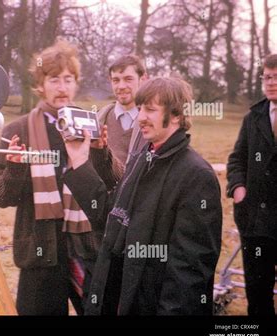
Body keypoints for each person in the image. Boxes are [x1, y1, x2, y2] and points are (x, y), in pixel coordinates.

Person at [63, 77, 222, 315]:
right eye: (140, 109)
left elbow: (188, 274)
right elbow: (108, 215)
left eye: (150, 109)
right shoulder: (142, 158)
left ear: (177, 115)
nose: (141, 118)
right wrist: (79, 160)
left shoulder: (197, 176)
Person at [0, 40, 123, 315]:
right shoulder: (19, 130)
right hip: (40, 251)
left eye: (68, 79)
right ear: (40, 85)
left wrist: (100, 153)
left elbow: (115, 183)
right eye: (54, 80)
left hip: (86, 246)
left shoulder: (90, 124)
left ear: (75, 83)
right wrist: (14, 168)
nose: (62, 87)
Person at [227, 53, 277, 316]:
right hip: (256, 222)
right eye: (267, 77)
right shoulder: (253, 118)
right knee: (258, 297)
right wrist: (238, 189)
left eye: (276, 77)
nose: (271, 82)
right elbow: (236, 159)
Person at [97, 55, 148, 164]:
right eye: (116, 80)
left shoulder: (153, 121)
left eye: (128, 79)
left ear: (143, 79)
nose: (121, 86)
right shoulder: (99, 119)